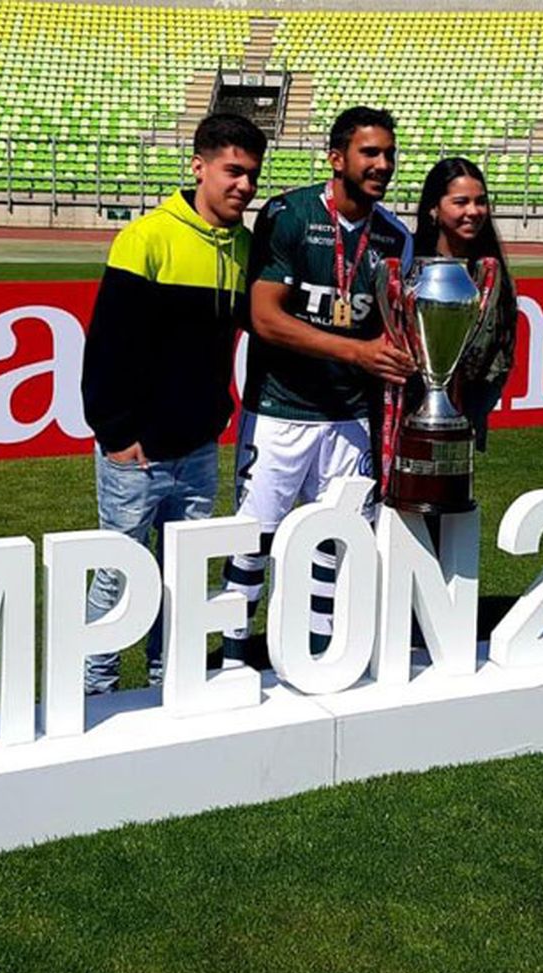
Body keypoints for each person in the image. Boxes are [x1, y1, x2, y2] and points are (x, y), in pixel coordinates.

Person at [78, 112, 266, 694]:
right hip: (137, 450)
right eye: (233, 171)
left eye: (253, 175)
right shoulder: (146, 237)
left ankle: (168, 681)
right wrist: (114, 434)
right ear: (199, 167)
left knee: (180, 577)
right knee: (119, 575)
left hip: (198, 446)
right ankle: (94, 686)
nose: (244, 186)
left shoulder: (243, 245)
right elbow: (105, 347)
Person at [220, 106, 414, 668]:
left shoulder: (393, 237)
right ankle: (232, 657)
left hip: (350, 418)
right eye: (369, 153)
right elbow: (265, 318)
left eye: (388, 155)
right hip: (281, 410)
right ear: (337, 158)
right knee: (251, 545)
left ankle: (318, 657)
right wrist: (358, 352)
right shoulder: (289, 215)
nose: (382, 165)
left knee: (335, 548)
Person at [412, 155, 519, 450]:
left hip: (464, 423)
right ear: (434, 208)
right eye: (461, 202)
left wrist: (472, 408)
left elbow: (501, 353)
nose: (474, 211)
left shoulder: (493, 274)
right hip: (409, 421)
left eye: (480, 201)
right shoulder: (410, 269)